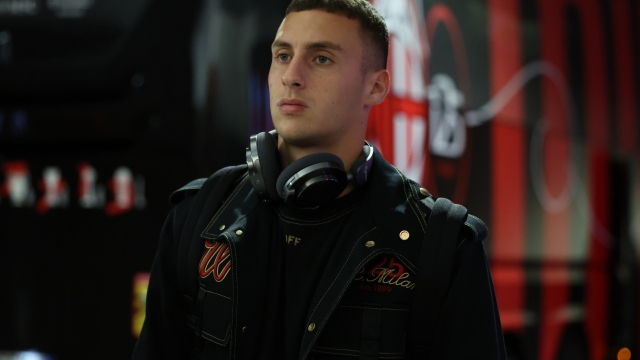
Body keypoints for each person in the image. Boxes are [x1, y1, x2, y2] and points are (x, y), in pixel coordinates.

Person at [133, 0, 506, 359]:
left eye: (321, 58)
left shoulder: (440, 244)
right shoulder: (198, 216)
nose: (292, 76)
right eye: (282, 55)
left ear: (375, 87)